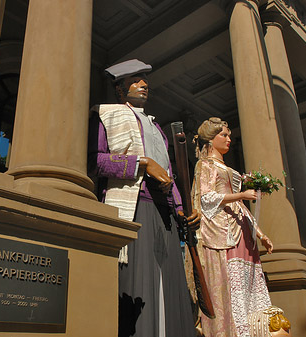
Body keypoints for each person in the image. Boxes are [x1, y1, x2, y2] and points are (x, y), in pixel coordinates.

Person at [88, 59, 198, 337]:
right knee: (138, 282)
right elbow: (96, 161)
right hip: (135, 206)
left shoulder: (157, 128)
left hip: (167, 213)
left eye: (144, 80)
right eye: (135, 80)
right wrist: (142, 163)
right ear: (120, 89)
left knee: (172, 287)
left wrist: (182, 209)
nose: (144, 85)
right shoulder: (107, 115)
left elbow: (169, 173)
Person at [192, 117, 274, 337]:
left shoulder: (226, 168)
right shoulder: (206, 165)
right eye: (224, 135)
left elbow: (240, 205)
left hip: (241, 229)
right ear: (210, 138)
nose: (229, 139)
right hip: (222, 228)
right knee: (230, 283)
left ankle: (253, 328)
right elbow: (206, 198)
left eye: (229, 135)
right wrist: (241, 194)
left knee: (248, 281)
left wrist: (260, 233)